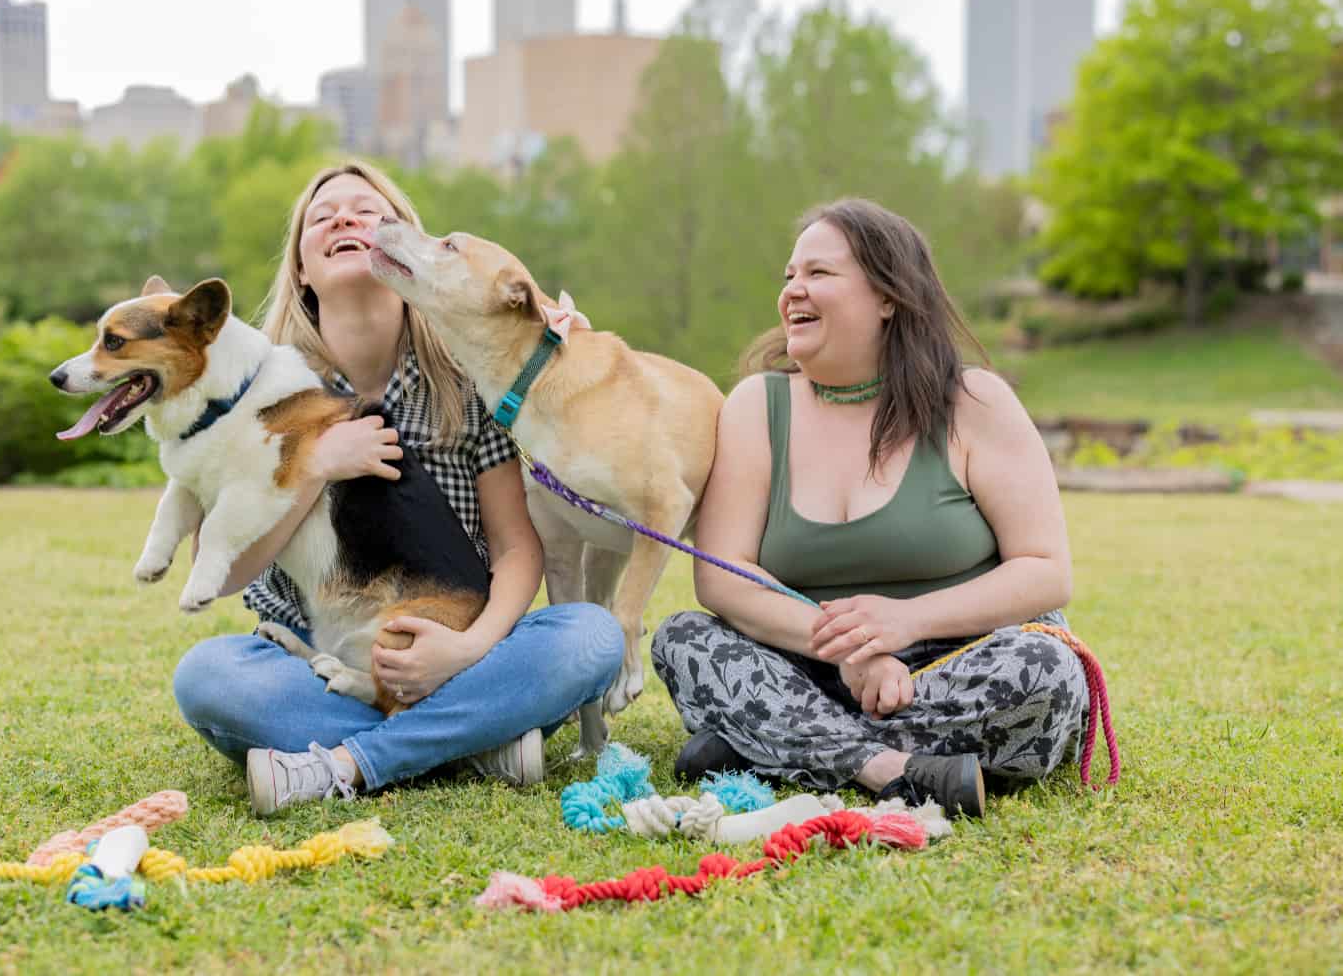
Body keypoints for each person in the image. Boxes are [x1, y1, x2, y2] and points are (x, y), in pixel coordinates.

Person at [171, 160, 623, 815]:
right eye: (322, 217)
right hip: (317, 668)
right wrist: (318, 465)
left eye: (366, 211)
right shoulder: (259, 397)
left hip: (459, 656)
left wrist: (466, 649)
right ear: (300, 267)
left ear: (405, 250)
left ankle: (349, 764)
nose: (345, 220)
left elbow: (516, 551)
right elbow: (222, 572)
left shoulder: (470, 384)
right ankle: (475, 743)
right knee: (208, 678)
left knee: (591, 637)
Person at [650, 198, 1089, 817]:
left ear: (888, 296)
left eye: (818, 274)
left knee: (1046, 667)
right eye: (789, 277)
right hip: (804, 665)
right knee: (684, 641)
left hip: (955, 665)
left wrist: (906, 622)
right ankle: (891, 769)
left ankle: (765, 749)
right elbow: (722, 572)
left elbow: (1046, 569)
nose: (793, 291)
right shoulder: (756, 405)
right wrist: (851, 650)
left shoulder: (973, 402)